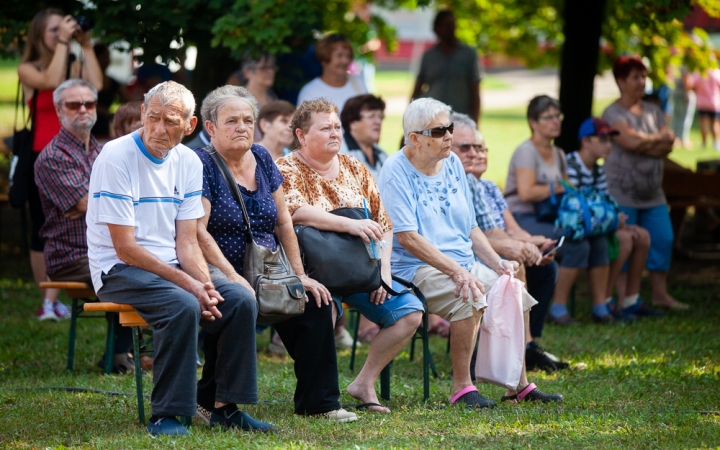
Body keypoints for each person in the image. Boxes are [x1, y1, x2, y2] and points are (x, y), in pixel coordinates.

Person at [86, 81, 274, 435]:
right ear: (142, 113)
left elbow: (187, 242)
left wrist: (205, 283)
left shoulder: (189, 161)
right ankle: (167, 414)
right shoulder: (116, 156)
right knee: (183, 303)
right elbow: (124, 247)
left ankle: (224, 406)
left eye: (170, 121)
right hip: (118, 268)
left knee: (238, 298)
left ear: (188, 127)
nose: (158, 129)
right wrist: (190, 286)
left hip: (170, 265)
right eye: (153, 117)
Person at [378, 97, 562, 406]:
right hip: (414, 266)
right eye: (439, 131)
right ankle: (462, 387)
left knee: (514, 293)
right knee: (471, 295)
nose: (449, 135)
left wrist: (497, 262)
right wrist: (457, 271)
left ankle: (517, 386)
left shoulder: (451, 164)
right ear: (415, 139)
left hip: (461, 262)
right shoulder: (396, 171)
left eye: (449, 128)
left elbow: (470, 226)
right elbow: (408, 238)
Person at [191, 86, 357, 423]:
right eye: (232, 121)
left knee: (314, 299)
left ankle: (319, 402)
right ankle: (212, 402)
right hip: (217, 266)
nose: (242, 127)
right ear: (210, 127)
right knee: (238, 300)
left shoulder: (263, 157)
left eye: (248, 120)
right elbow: (198, 231)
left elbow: (283, 221)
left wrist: (299, 275)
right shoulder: (200, 163)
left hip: (267, 267)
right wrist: (234, 276)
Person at [276, 98, 425, 414]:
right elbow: (294, 213)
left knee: (410, 312)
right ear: (301, 135)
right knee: (320, 313)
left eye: (336, 127)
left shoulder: (356, 167)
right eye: (325, 128)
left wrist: (382, 271)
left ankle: (363, 383)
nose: (334, 133)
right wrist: (351, 224)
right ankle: (318, 395)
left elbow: (384, 225)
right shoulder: (285, 168)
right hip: (315, 273)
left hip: (361, 271)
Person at [449, 112, 569, 372]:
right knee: (515, 266)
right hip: (468, 255)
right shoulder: (460, 181)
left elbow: (508, 229)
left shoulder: (487, 186)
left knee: (546, 268)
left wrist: (534, 244)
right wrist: (523, 248)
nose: (475, 154)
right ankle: (520, 348)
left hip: (489, 249)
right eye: (466, 147)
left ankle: (528, 343)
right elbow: (486, 235)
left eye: (480, 148)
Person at [34, 79, 136, 371]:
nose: (82, 109)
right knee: (134, 276)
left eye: (88, 103)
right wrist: (99, 202)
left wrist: (98, 202)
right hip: (71, 255)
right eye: (73, 104)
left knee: (162, 264)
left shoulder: (104, 150)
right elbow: (84, 204)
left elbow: (108, 202)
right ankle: (118, 357)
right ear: (58, 110)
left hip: (111, 247)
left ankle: (131, 353)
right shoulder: (52, 157)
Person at [17, 8, 103, 321]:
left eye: (62, 29)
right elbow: (52, 81)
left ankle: (55, 298)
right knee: (44, 230)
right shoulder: (28, 68)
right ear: (39, 33)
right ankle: (47, 301)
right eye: (54, 30)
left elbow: (97, 84)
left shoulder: (73, 62)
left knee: (76, 217)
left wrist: (87, 44)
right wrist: (65, 43)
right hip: (44, 154)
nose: (59, 34)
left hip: (80, 151)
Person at [506, 95, 618, 324]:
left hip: (551, 215)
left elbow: (569, 191)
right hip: (523, 217)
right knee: (576, 244)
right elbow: (526, 193)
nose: (556, 121)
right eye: (548, 117)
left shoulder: (558, 153)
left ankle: (600, 306)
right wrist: (557, 186)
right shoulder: (527, 151)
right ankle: (557, 309)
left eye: (558, 116)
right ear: (533, 122)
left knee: (597, 240)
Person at [602, 56, 688, 310]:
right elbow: (630, 142)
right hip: (622, 192)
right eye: (635, 77)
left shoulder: (653, 110)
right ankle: (624, 298)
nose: (642, 82)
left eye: (643, 76)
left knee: (663, 239)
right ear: (620, 81)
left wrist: (644, 142)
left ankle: (660, 294)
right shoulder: (613, 112)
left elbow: (669, 144)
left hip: (653, 193)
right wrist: (654, 139)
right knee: (626, 244)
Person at [567, 117, 662, 318]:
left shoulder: (597, 169)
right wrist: (613, 221)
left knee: (642, 235)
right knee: (625, 239)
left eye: (610, 140)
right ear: (585, 141)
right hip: (579, 229)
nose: (608, 145)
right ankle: (604, 301)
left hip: (597, 225)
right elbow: (577, 207)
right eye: (602, 140)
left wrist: (616, 219)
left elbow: (603, 201)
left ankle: (630, 299)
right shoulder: (571, 166)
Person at [411, 10, 481, 124]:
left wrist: (476, 121)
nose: (451, 29)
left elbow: (475, 90)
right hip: (433, 119)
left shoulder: (468, 54)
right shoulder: (429, 56)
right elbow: (417, 89)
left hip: (460, 118)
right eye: (446, 25)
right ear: (437, 29)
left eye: (452, 25)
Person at [296, 34, 367, 111]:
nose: (345, 61)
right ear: (324, 60)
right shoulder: (310, 92)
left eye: (348, 56)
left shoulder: (359, 83)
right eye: (339, 55)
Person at [339, 94, 389, 180]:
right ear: (353, 123)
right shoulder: (339, 154)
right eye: (371, 116)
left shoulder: (382, 154)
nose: (378, 121)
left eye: (380, 116)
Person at [91, 43, 126, 141]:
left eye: (108, 57)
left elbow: (127, 99)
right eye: (104, 57)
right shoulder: (85, 81)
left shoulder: (113, 82)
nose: (107, 60)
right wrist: (108, 113)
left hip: (105, 125)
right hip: (89, 123)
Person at [690, 63, 720, 151]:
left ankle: (704, 142)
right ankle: (715, 142)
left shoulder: (699, 73)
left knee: (703, 123)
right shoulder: (716, 73)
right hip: (714, 102)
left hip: (702, 102)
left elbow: (693, 85)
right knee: (715, 123)